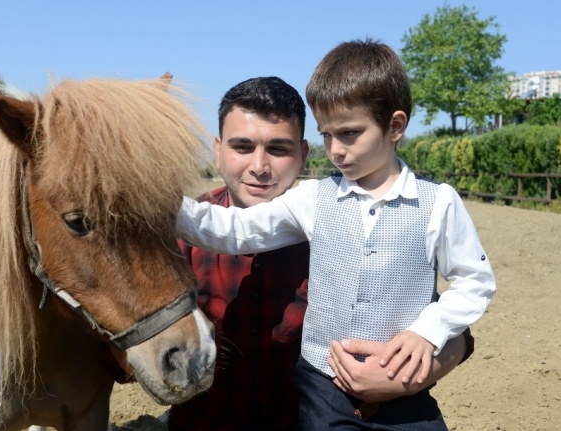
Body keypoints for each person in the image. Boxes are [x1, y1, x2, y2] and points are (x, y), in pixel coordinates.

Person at [175, 41, 496, 431]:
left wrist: (423, 343)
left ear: (395, 126)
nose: (337, 151)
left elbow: (471, 288)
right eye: (328, 135)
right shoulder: (312, 201)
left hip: (393, 395)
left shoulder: (438, 203)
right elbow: (232, 230)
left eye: (348, 133)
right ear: (218, 149)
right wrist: (150, 199)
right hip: (308, 398)